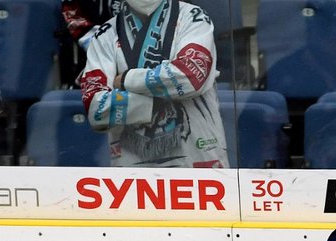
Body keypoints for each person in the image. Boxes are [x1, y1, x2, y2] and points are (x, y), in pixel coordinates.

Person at [79, 0, 228, 167]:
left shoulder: (194, 18)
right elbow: (95, 107)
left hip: (198, 159)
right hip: (133, 168)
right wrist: (156, 102)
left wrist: (127, 79)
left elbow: (191, 76)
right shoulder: (105, 35)